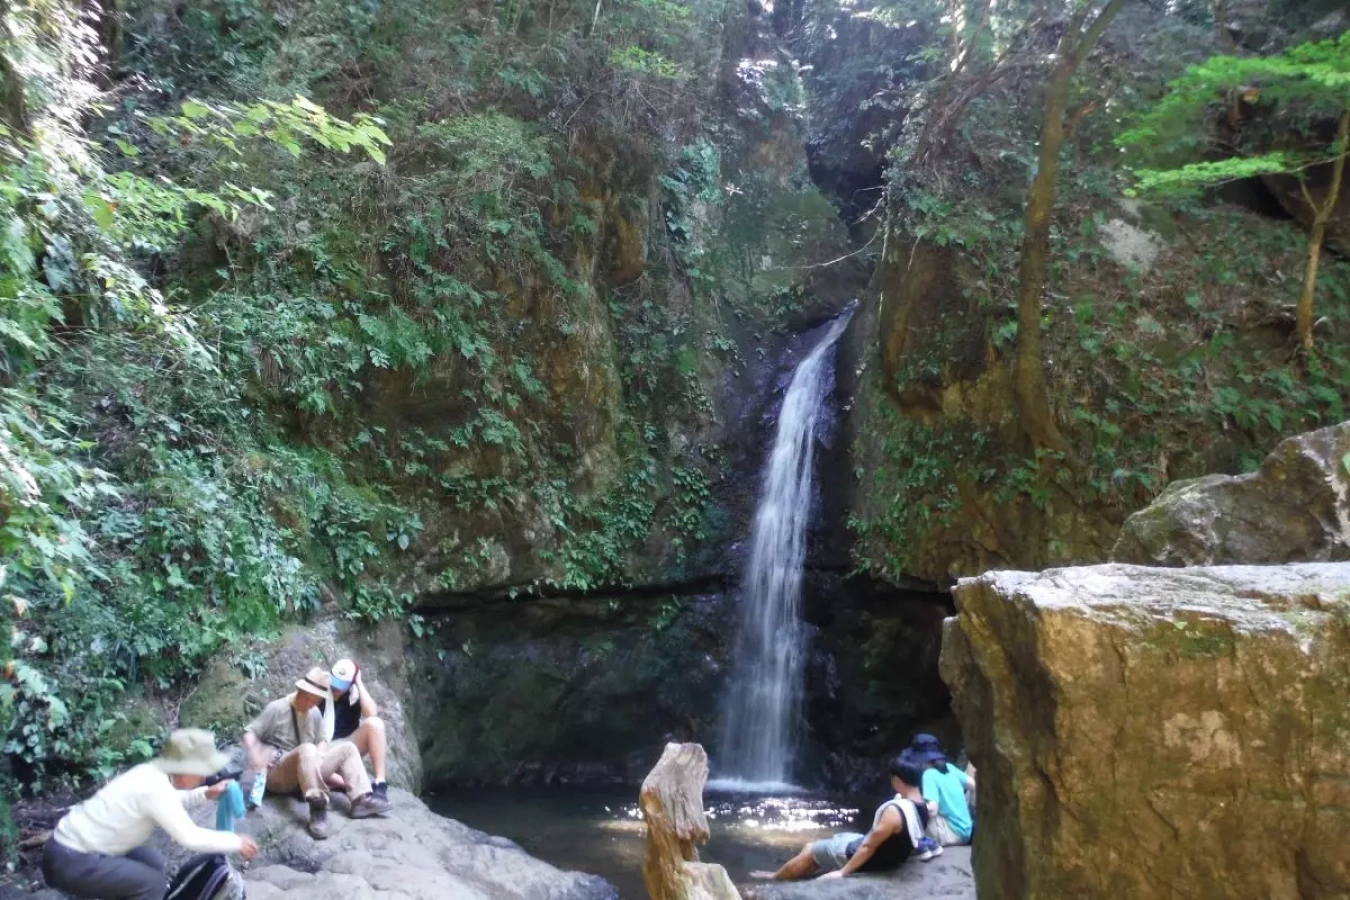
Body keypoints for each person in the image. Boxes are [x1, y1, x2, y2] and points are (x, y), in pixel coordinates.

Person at [42, 729, 260, 900]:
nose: (206, 777)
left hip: (74, 851)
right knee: (152, 883)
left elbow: (169, 802)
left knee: (153, 862)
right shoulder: (155, 788)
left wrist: (206, 794)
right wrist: (235, 841)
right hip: (70, 860)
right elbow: (189, 837)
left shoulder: (151, 775)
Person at [241, 666, 391, 839]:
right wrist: (256, 754)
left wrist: (320, 754)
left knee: (347, 749)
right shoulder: (277, 708)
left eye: (317, 701)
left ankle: (361, 799)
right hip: (279, 773)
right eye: (311, 699)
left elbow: (322, 740)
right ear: (302, 692)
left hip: (307, 769)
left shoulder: (314, 713)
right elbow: (249, 733)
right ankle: (318, 809)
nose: (314, 704)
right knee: (307, 748)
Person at [750, 757, 936, 881]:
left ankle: (775, 878)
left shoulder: (895, 813)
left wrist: (842, 873)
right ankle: (801, 869)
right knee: (828, 841)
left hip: (868, 858)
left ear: (897, 780)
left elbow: (867, 847)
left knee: (811, 850)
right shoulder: (924, 806)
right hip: (886, 856)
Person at [322, 658, 389, 799]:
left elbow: (372, 713)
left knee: (375, 724)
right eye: (334, 683)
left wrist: (358, 681)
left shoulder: (355, 694)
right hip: (322, 749)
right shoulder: (320, 688)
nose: (335, 688)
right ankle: (337, 781)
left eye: (340, 685)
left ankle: (380, 783)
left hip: (348, 748)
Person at [910, 733, 975, 846]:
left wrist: (911, 805)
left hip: (952, 833)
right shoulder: (950, 767)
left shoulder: (929, 775)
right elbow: (973, 784)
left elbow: (933, 810)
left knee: (907, 812)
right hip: (967, 830)